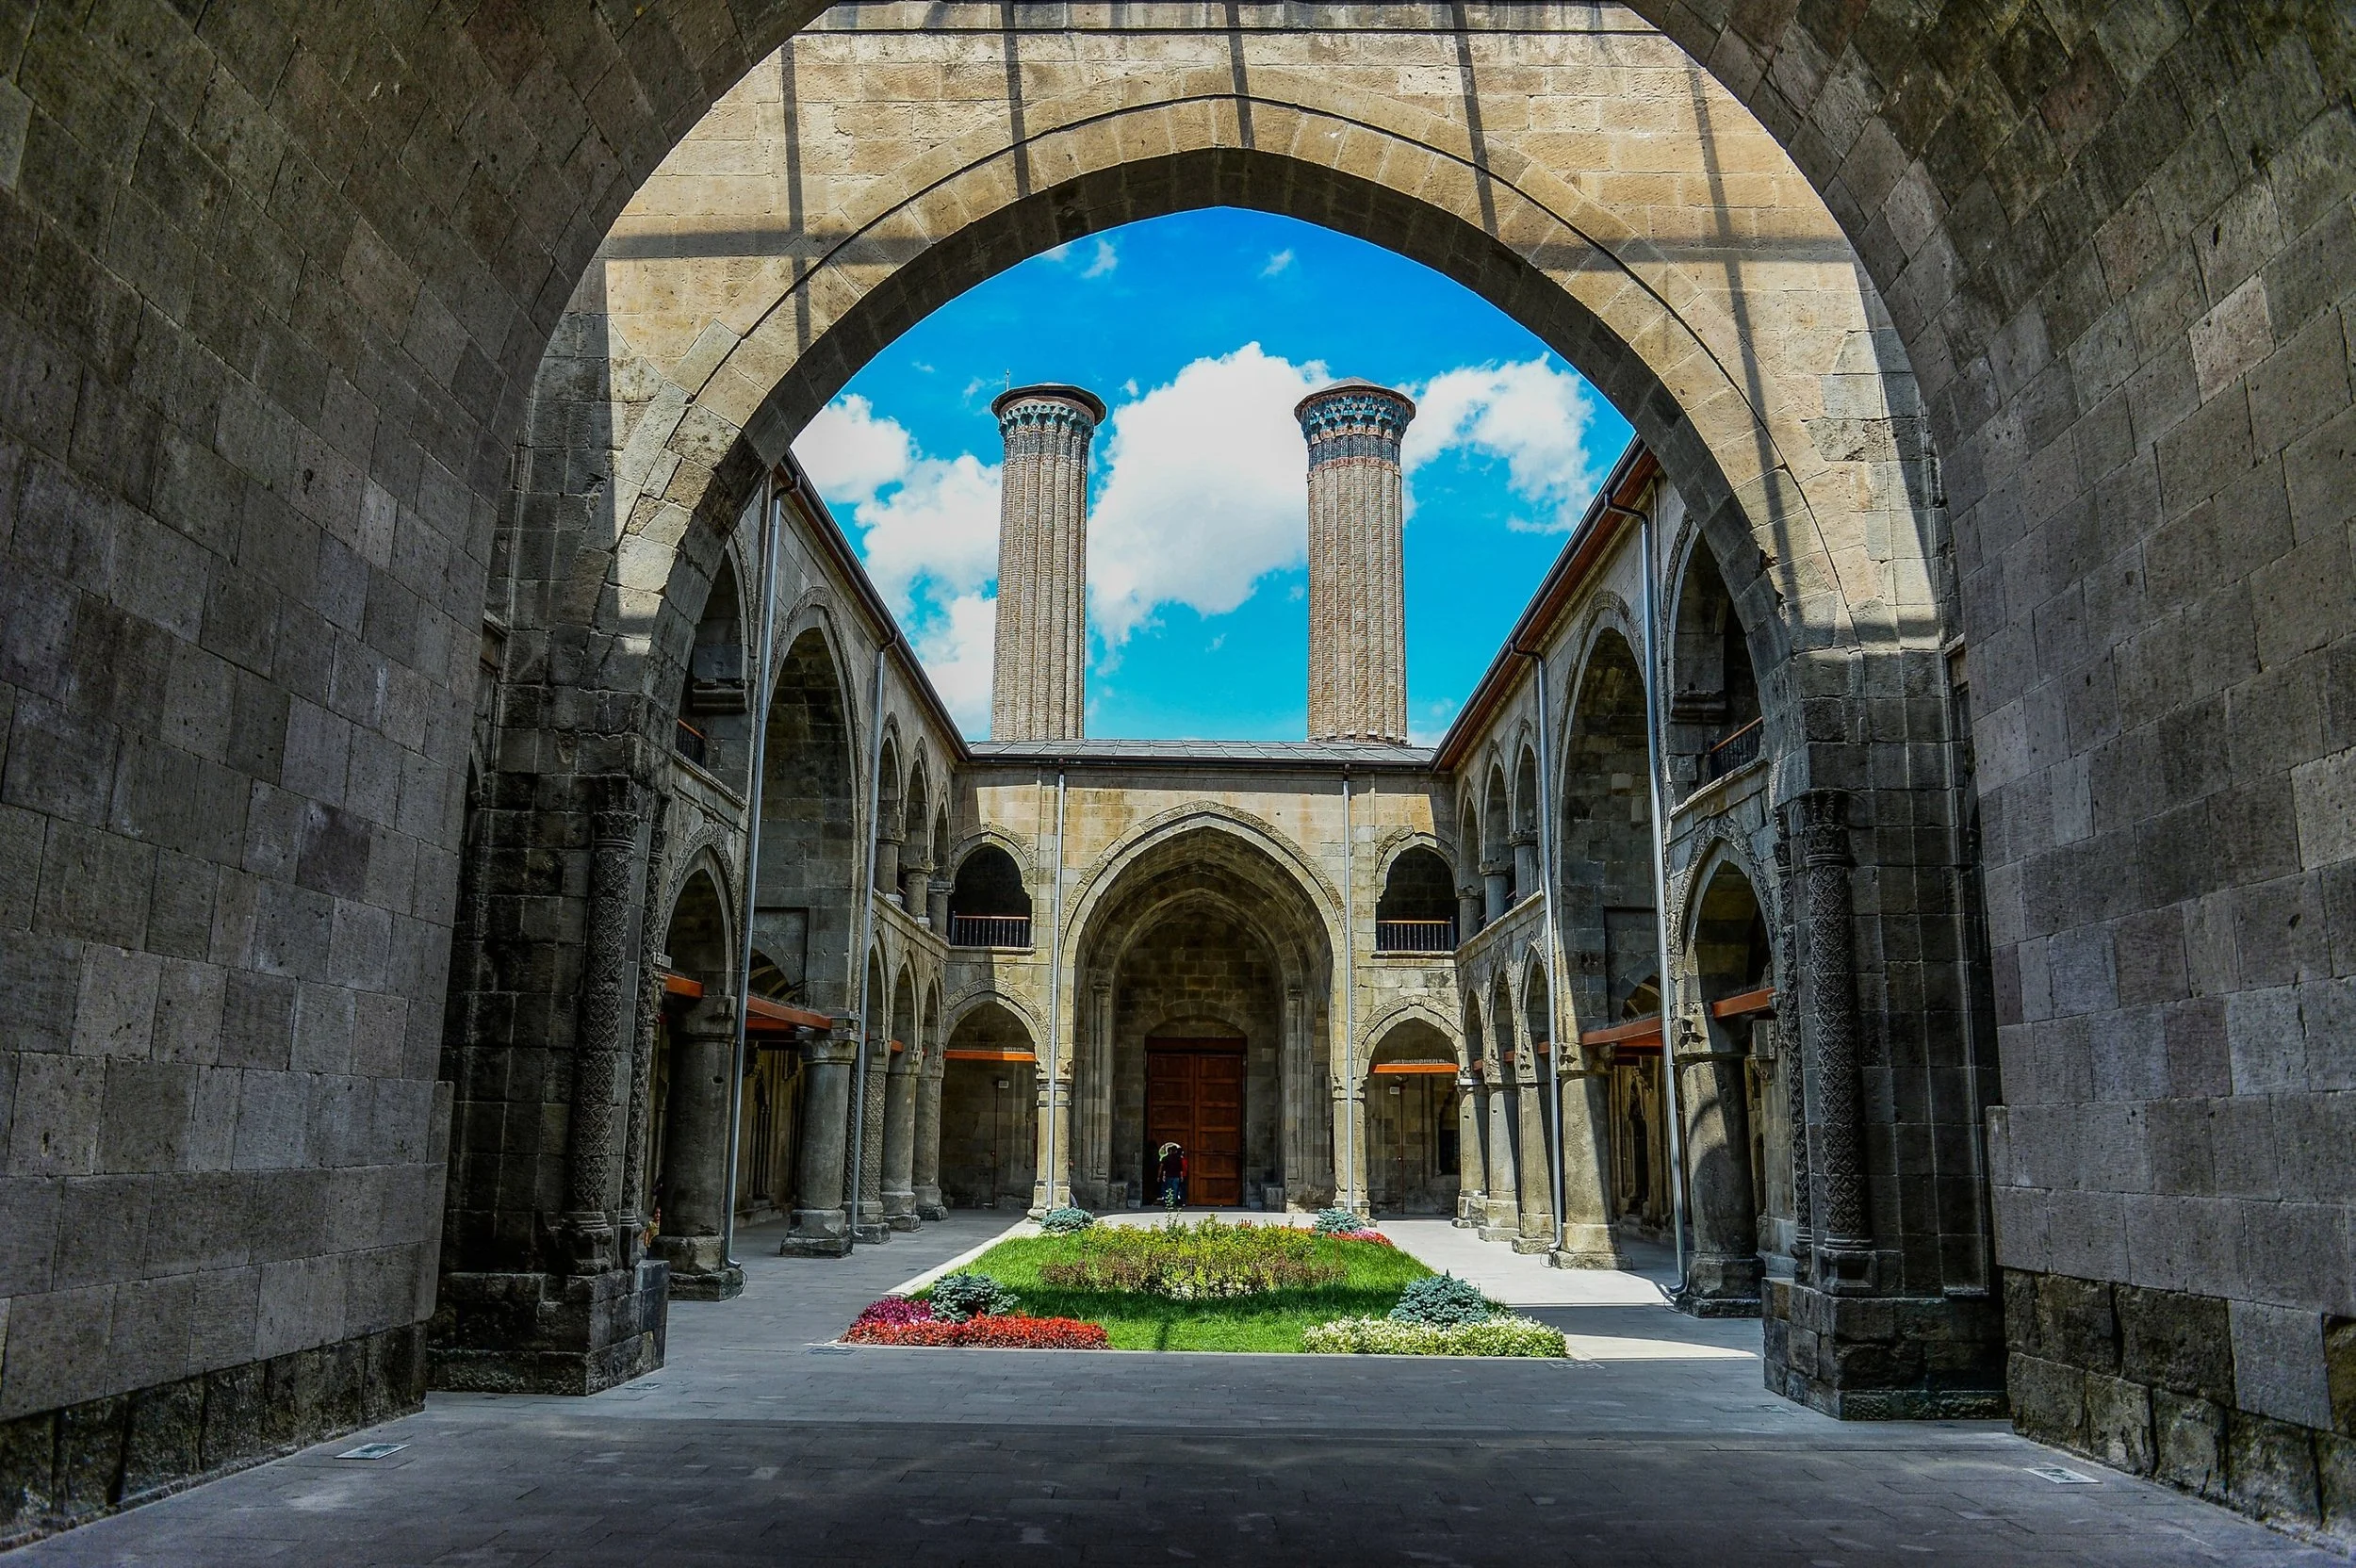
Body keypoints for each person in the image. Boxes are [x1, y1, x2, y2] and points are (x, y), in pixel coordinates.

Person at [1156, 1141, 1186, 1208]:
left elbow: (1163, 1168)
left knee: (1168, 1189)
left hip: (1168, 1176)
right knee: (1175, 1190)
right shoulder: (1179, 1158)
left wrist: (1161, 1176)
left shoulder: (1166, 1158)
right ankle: (1173, 1203)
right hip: (1176, 1176)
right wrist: (1181, 1176)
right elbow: (1180, 1168)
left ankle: (1168, 1202)